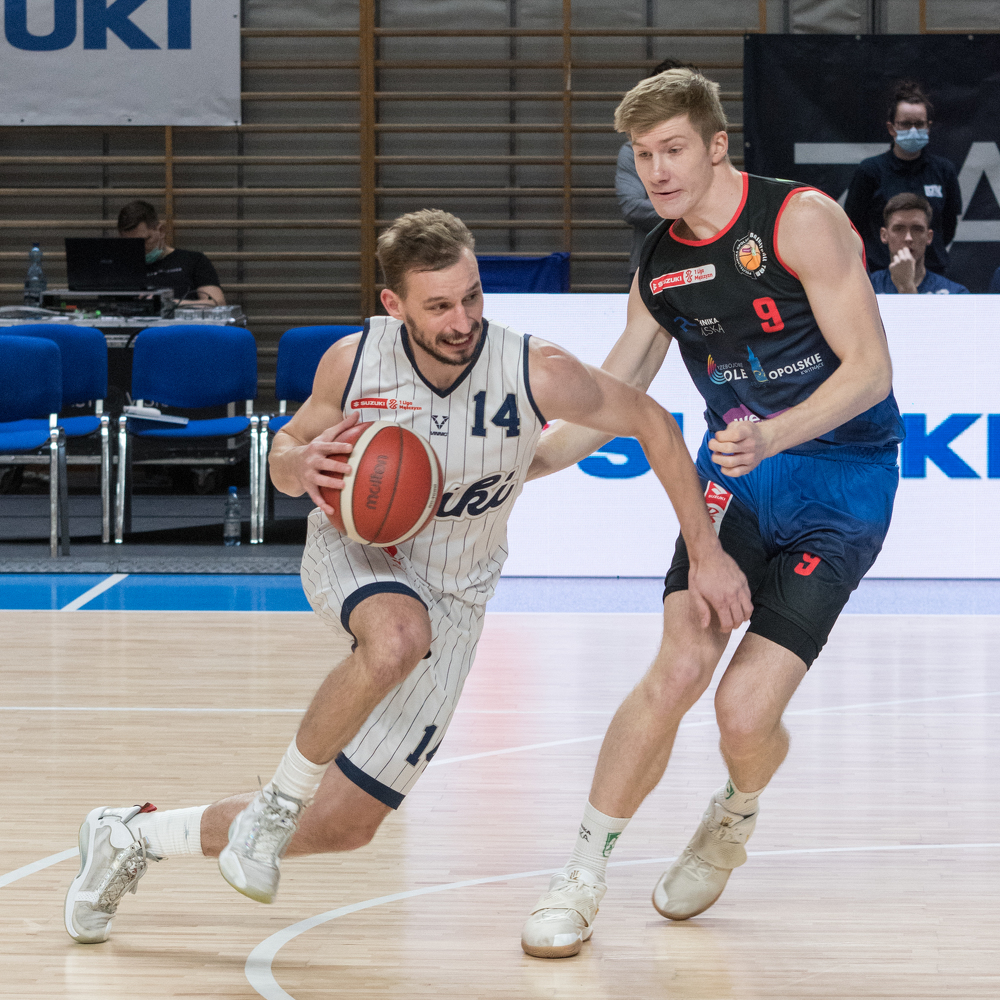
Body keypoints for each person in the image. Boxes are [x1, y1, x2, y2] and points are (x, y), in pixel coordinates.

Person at [63, 209, 752, 944]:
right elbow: (286, 452)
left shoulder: (534, 369)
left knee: (347, 823)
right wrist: (298, 464)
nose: (462, 321)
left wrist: (705, 551)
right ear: (394, 304)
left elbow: (653, 423)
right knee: (396, 634)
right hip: (359, 553)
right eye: (439, 306)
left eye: (472, 296)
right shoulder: (354, 362)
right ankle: (274, 808)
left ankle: (131, 835)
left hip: (458, 589)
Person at [519, 68, 904, 959]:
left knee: (743, 714)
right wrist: (530, 464)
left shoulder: (798, 219)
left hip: (844, 479)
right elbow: (617, 391)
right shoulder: (659, 265)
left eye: (673, 150)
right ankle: (579, 876)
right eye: (642, 155)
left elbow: (871, 372)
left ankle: (734, 812)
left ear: (717, 145)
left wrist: (774, 433)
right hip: (737, 478)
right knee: (680, 665)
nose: (656, 171)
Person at [844, 80, 961, 277]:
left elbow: (948, 227)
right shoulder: (870, 170)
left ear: (928, 127)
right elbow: (852, 226)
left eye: (919, 124)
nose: (913, 130)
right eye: (906, 124)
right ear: (891, 128)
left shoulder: (944, 170)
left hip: (932, 273)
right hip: (880, 273)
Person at [618, 60, 695, 284]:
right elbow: (632, 208)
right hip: (651, 266)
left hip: (703, 264)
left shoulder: (707, 148)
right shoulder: (632, 151)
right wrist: (692, 208)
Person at [117, 200, 226, 306]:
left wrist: (166, 303)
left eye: (144, 240)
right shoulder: (121, 268)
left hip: (180, 318)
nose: (139, 248)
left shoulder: (194, 261)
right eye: (131, 243)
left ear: (161, 231)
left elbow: (217, 303)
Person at [869, 193, 968, 295]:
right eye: (899, 229)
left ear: (929, 237)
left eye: (917, 229)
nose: (908, 238)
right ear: (884, 235)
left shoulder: (956, 293)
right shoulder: (867, 287)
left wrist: (907, 287)